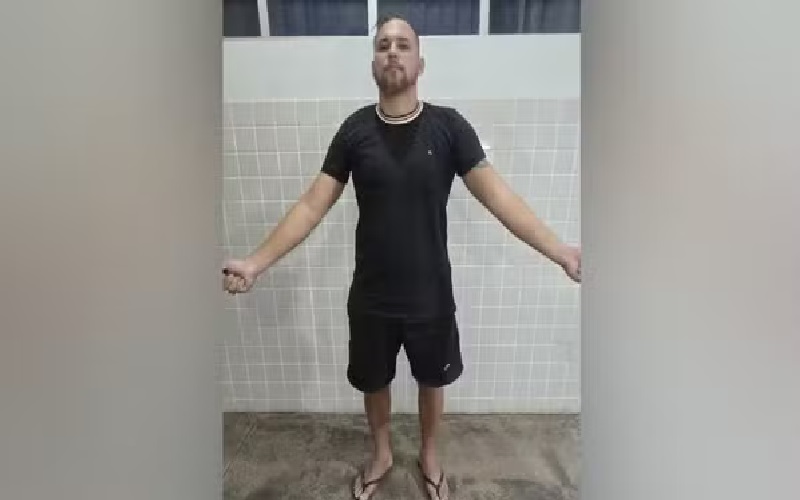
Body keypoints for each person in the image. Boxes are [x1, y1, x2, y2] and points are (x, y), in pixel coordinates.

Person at [222, 14, 581, 500]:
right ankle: (382, 453)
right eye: (383, 45)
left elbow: (499, 197)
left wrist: (561, 251)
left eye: (403, 44)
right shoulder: (354, 132)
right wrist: (254, 263)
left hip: (431, 293)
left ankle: (430, 454)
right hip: (371, 295)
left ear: (420, 63)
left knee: (433, 380)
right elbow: (311, 205)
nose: (392, 51)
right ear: (373, 63)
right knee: (374, 381)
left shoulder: (449, 127)